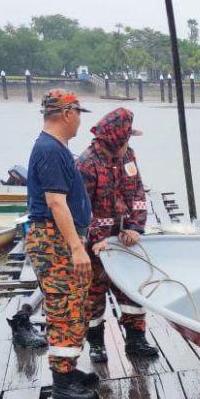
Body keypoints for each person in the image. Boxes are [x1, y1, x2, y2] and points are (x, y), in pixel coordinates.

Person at [24, 89, 99, 399]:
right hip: (55, 241)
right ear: (68, 113)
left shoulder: (55, 148)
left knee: (75, 306)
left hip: (62, 240)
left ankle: (68, 369)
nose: (80, 121)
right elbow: (56, 202)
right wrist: (76, 247)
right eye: (79, 113)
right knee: (64, 308)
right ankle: (62, 381)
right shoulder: (51, 150)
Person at [76, 107, 159, 363]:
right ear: (115, 139)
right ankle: (97, 343)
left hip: (125, 239)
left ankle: (136, 340)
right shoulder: (86, 164)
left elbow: (137, 194)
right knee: (94, 294)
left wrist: (135, 227)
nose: (128, 144)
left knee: (132, 289)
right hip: (98, 245)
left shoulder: (128, 157)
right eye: (126, 139)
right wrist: (95, 238)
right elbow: (80, 208)